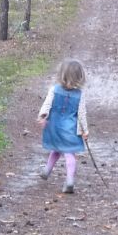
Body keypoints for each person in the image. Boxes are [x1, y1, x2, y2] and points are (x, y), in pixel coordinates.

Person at [37, 59, 89, 194]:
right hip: (70, 129)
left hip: (54, 126)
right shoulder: (80, 94)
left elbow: (47, 104)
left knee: (57, 148)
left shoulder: (54, 89)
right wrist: (85, 130)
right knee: (69, 153)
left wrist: (43, 116)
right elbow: (82, 114)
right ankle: (70, 180)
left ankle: (47, 170)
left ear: (62, 75)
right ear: (79, 77)